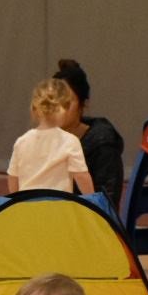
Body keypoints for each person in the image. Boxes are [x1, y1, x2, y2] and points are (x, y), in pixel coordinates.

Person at [51, 59, 124, 212]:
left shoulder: (103, 145)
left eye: (67, 102)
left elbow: (106, 207)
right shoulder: (43, 139)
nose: (58, 109)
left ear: (83, 103)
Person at [6, 79, 94, 195]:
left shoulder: (22, 141)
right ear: (65, 108)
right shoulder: (70, 141)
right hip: (57, 208)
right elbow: (81, 176)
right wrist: (93, 201)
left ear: (34, 108)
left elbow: (13, 178)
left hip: (27, 208)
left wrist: (17, 201)